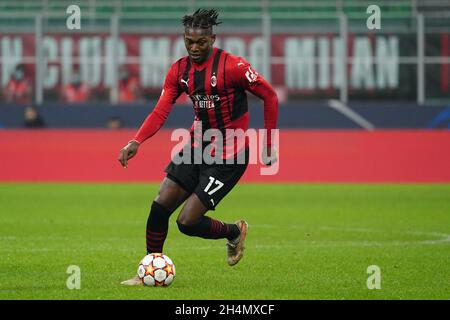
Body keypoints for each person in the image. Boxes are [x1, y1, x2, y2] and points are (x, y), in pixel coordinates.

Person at [118, 9, 278, 285]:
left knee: (187, 223)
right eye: (189, 41)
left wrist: (269, 142)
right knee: (159, 206)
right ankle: (148, 270)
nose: (194, 47)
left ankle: (233, 232)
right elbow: (160, 111)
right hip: (195, 147)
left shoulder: (234, 67)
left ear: (212, 39)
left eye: (200, 42)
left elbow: (269, 95)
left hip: (230, 155)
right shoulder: (179, 71)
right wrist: (136, 140)